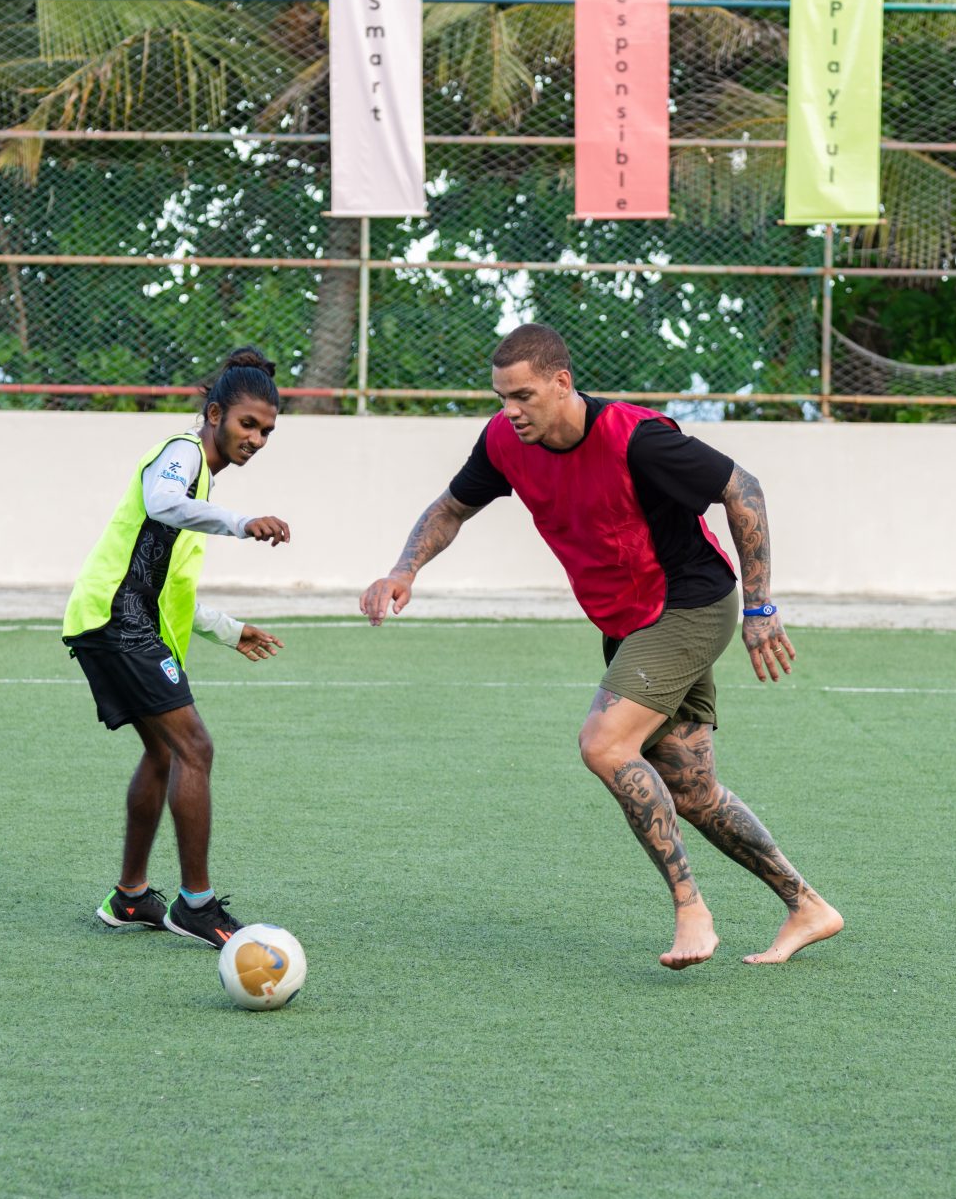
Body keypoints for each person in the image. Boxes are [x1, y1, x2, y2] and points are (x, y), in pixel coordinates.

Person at [360, 323, 843, 969]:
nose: (511, 410)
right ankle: (806, 904)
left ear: (562, 383)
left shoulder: (637, 440)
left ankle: (691, 910)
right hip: (626, 621)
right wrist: (403, 568)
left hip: (690, 602)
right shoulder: (505, 441)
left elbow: (743, 488)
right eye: (502, 396)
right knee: (693, 789)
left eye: (524, 395)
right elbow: (452, 506)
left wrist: (760, 606)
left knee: (604, 742)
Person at [62, 348, 293, 949]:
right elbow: (162, 501)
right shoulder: (183, 454)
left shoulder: (201, 482)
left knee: (165, 755)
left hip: (118, 619)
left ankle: (131, 898)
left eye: (267, 430)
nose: (258, 438)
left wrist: (227, 627)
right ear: (214, 413)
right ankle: (196, 905)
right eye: (248, 424)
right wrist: (243, 523)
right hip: (118, 621)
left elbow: (169, 586)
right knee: (195, 746)